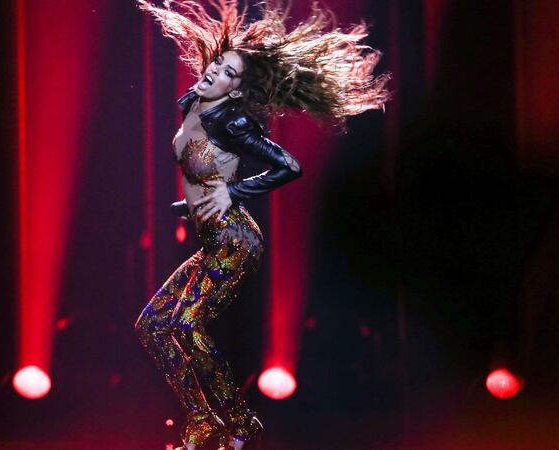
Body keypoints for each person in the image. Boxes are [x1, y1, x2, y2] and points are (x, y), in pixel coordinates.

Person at [133, 1, 390, 449]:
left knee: (187, 327)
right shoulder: (191, 103)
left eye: (228, 73)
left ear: (236, 90)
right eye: (218, 64)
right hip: (212, 240)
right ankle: (206, 417)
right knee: (153, 327)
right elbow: (206, 171)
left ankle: (231, 419)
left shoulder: (232, 119)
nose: (215, 73)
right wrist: (188, 204)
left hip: (235, 240)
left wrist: (230, 193)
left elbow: (288, 165)